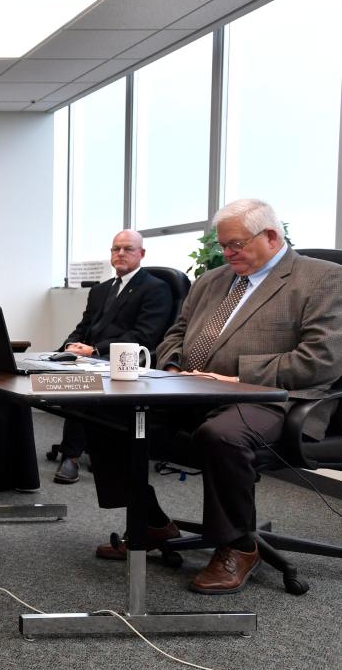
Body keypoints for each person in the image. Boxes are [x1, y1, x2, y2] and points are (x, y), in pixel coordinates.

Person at [87, 199, 342, 593]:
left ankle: (238, 547)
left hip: (272, 398)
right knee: (105, 416)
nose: (227, 253)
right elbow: (176, 333)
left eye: (236, 245)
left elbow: (319, 360)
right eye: (223, 245)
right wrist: (172, 370)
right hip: (191, 390)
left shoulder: (322, 279)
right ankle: (152, 523)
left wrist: (233, 375)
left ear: (272, 236)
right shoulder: (213, 280)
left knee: (221, 435)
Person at [53, 229, 173, 483]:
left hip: (125, 358)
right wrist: (67, 347)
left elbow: (145, 335)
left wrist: (95, 350)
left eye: (128, 249)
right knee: (54, 368)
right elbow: (85, 326)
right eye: (115, 249)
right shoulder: (100, 290)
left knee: (80, 385)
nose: (120, 253)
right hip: (91, 356)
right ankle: (95, 447)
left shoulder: (156, 288)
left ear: (141, 253)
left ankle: (71, 456)